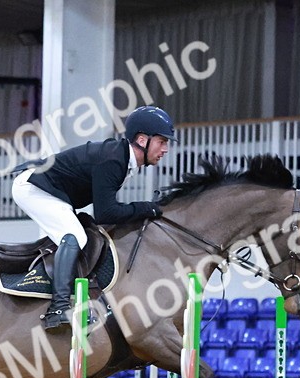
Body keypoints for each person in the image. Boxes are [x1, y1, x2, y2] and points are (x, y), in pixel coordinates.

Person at [11, 105, 176, 332]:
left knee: (83, 234)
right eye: (162, 141)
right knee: (75, 236)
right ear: (141, 139)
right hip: (32, 188)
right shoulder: (114, 160)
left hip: (54, 193)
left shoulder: (124, 160)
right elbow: (106, 213)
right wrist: (145, 208)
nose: (165, 149)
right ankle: (57, 309)